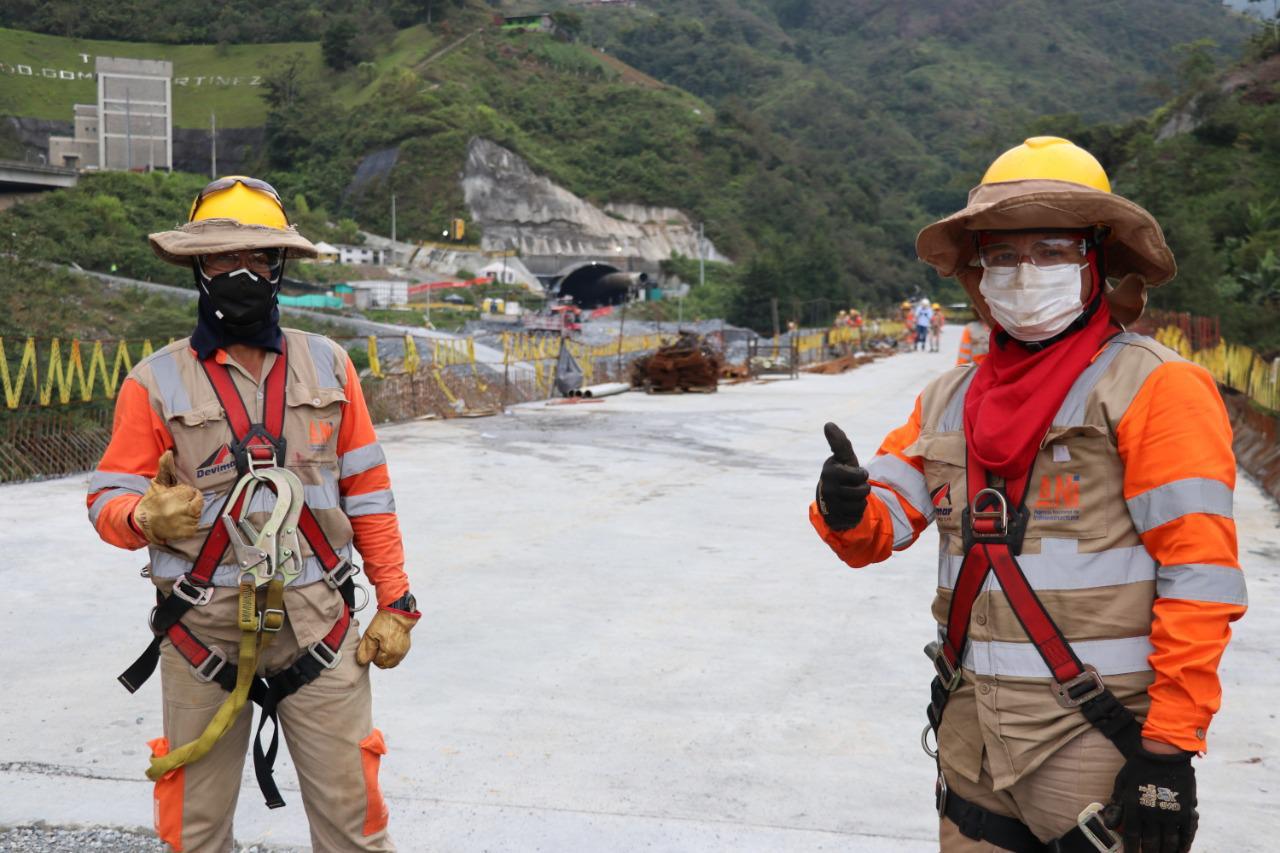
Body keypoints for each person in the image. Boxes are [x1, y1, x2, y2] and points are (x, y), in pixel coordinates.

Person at [810, 138, 1246, 852]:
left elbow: (1200, 576)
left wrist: (1168, 751)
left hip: (1092, 744)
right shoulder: (950, 396)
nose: (1024, 273)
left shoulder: (1154, 388)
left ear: (1096, 260)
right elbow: (883, 524)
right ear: (979, 273)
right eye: (1004, 256)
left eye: (1051, 250)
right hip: (970, 736)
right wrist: (845, 506)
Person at [86, 176, 420, 852]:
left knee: (357, 828)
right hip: (201, 632)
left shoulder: (329, 367)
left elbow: (370, 494)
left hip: (320, 630)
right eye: (220, 257)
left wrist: (397, 601)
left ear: (279, 266)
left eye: (258, 256)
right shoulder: (154, 382)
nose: (240, 270)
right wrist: (141, 516)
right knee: (195, 834)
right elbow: (105, 499)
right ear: (196, 268)